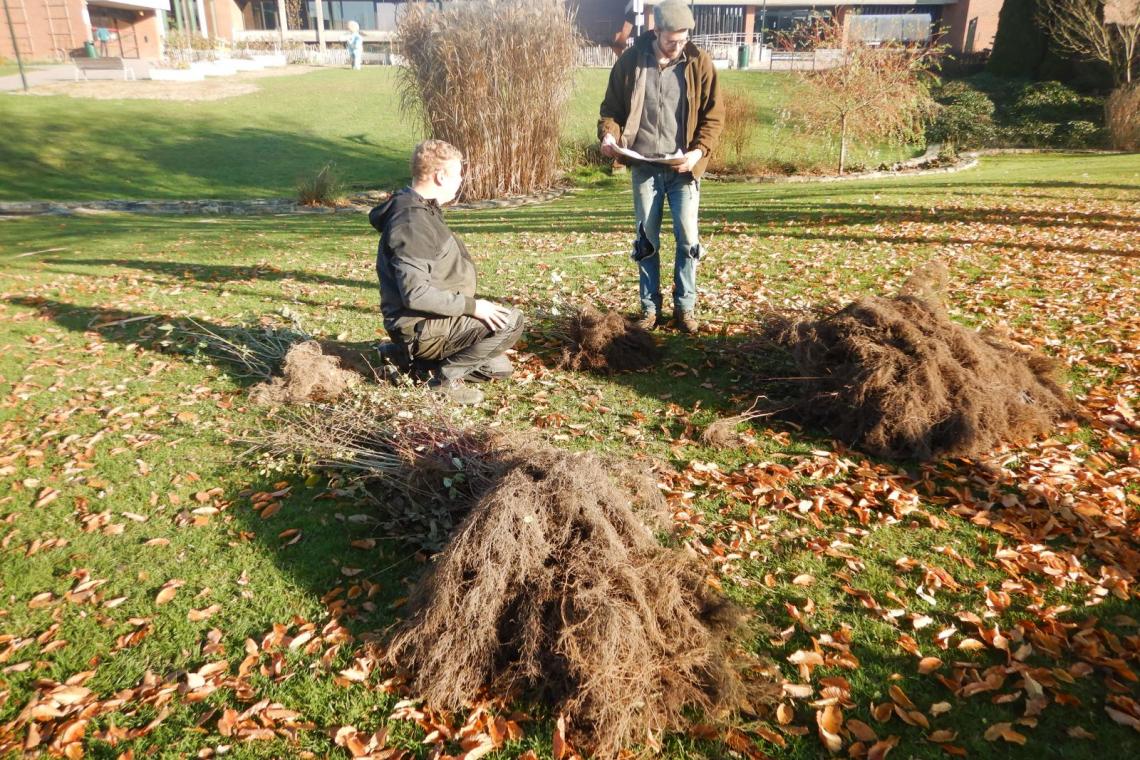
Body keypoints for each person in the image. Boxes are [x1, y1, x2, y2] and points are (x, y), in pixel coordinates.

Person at [598, 0, 724, 333]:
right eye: (672, 40)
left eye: (684, 39)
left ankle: (685, 308)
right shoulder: (631, 62)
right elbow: (610, 111)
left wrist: (698, 154)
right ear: (656, 31)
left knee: (688, 239)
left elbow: (714, 117)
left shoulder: (700, 64)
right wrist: (609, 138)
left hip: (684, 169)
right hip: (644, 168)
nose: (679, 45)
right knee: (646, 240)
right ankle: (649, 310)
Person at [370, 140, 525, 405]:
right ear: (441, 176)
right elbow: (415, 294)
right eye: (458, 173)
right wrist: (473, 307)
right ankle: (443, 381)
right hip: (420, 326)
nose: (461, 179)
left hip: (433, 322)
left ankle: (403, 359)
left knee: (497, 368)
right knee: (511, 322)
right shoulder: (411, 223)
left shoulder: (421, 208)